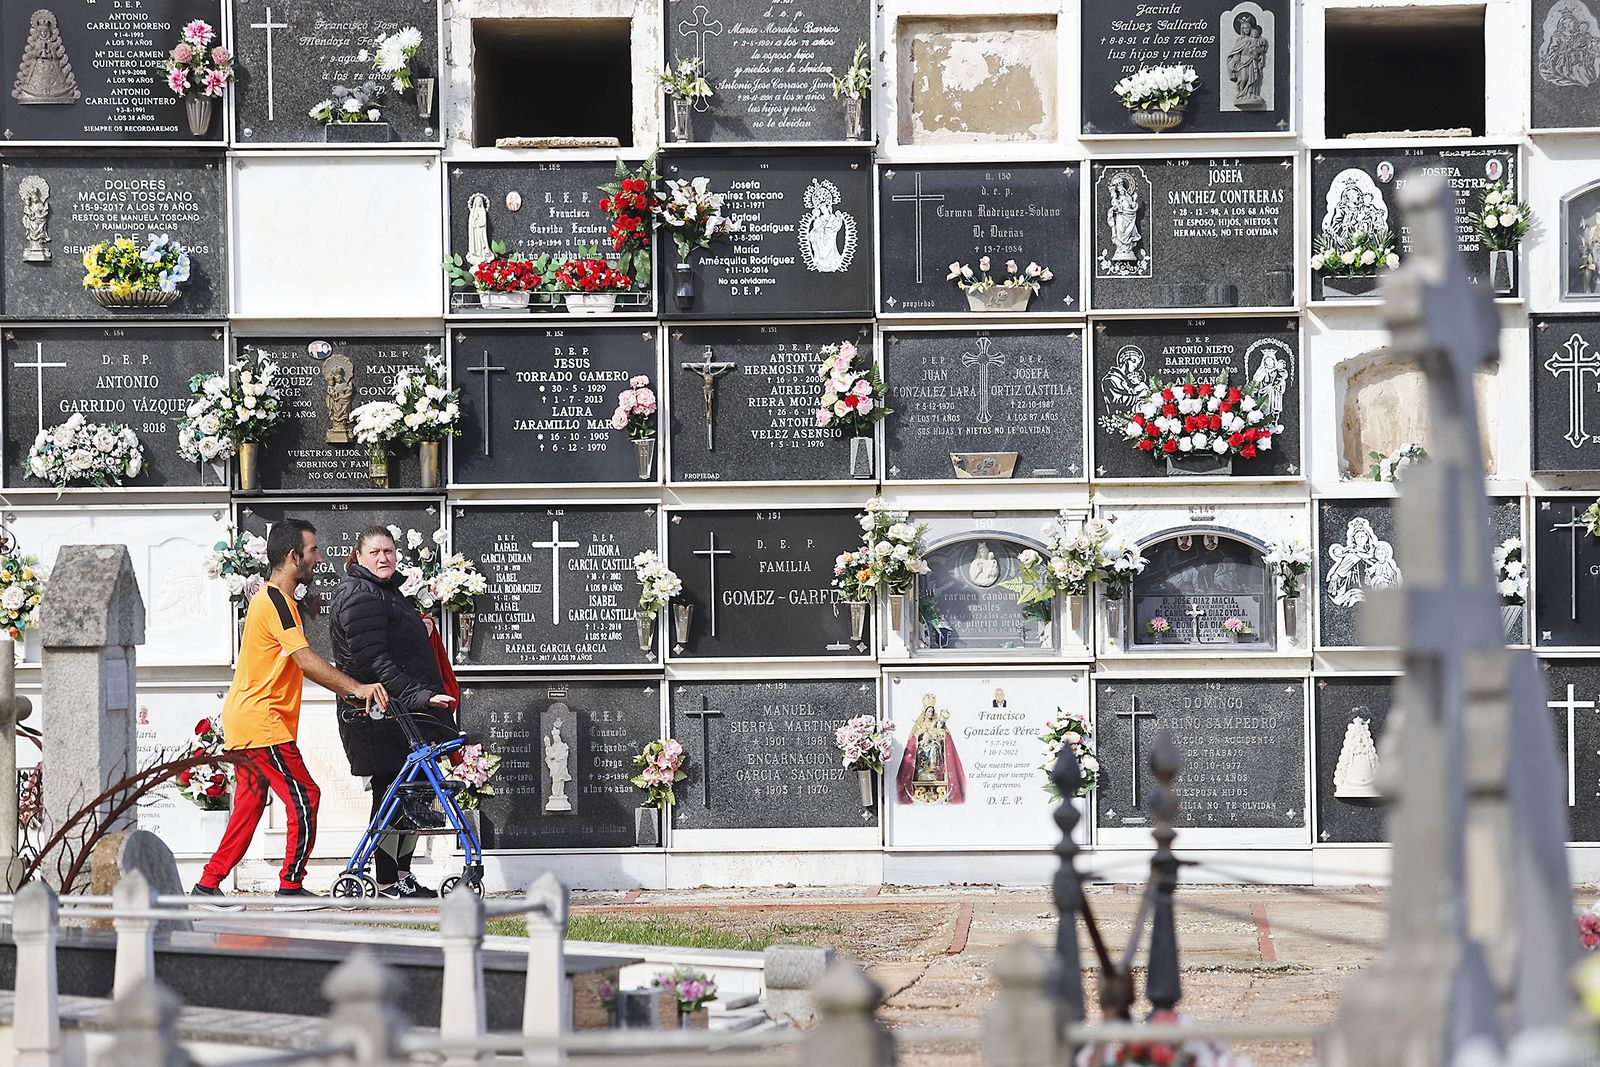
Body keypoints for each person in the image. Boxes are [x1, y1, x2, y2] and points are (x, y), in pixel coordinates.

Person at [192, 519, 388, 906]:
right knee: (305, 797)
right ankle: (290, 887)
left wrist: (346, 689)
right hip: (263, 722)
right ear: (294, 556)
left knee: (248, 808)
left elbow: (293, 651)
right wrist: (356, 688)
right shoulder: (276, 602)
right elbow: (305, 660)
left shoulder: (276, 600)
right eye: (313, 551)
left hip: (249, 721)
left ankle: (206, 886)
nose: (320, 558)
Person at [331, 526, 459, 900]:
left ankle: (402, 875)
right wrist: (420, 696)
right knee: (391, 792)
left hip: (398, 713)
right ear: (358, 557)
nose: (383, 558)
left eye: (388, 551)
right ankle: (387, 881)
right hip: (380, 716)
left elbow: (391, 643)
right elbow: (375, 663)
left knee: (411, 793)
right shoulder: (361, 595)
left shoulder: (384, 592)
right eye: (375, 552)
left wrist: (417, 626)